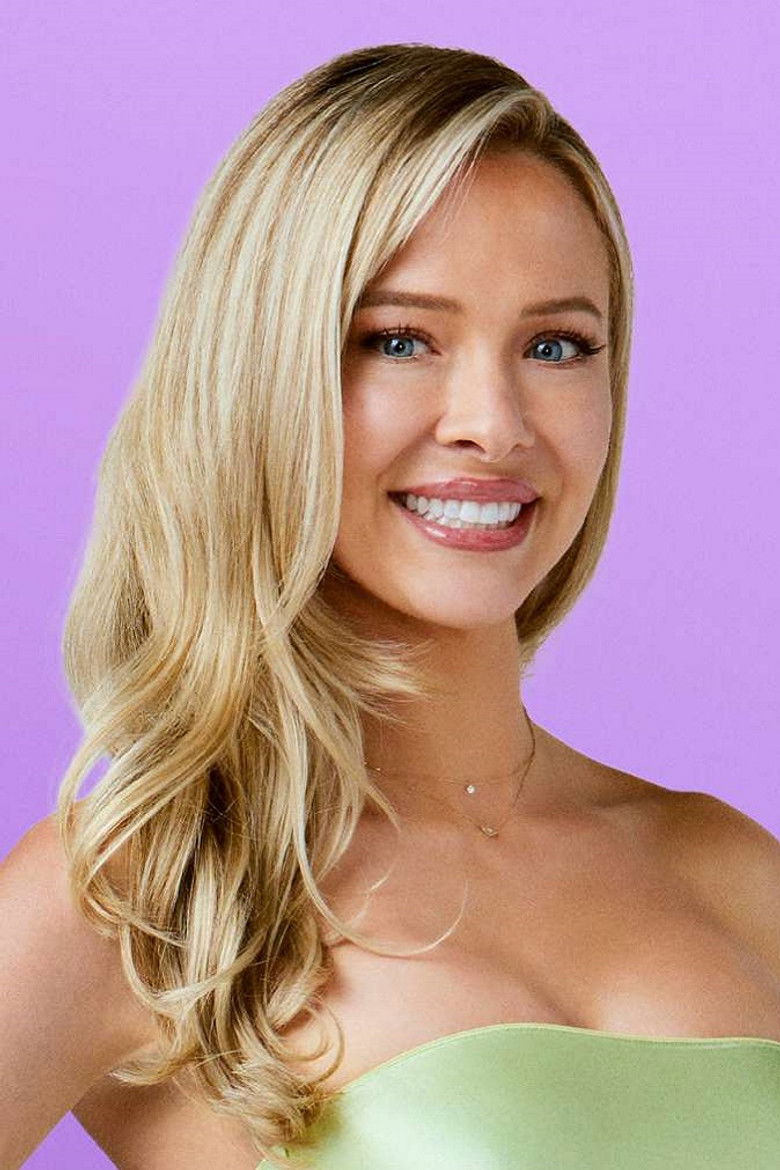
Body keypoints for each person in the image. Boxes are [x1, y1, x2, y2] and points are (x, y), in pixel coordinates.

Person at [2, 41, 780, 1170]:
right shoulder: (147, 902)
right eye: (400, 341)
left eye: (556, 345)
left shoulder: (728, 868)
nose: (494, 424)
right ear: (260, 373)